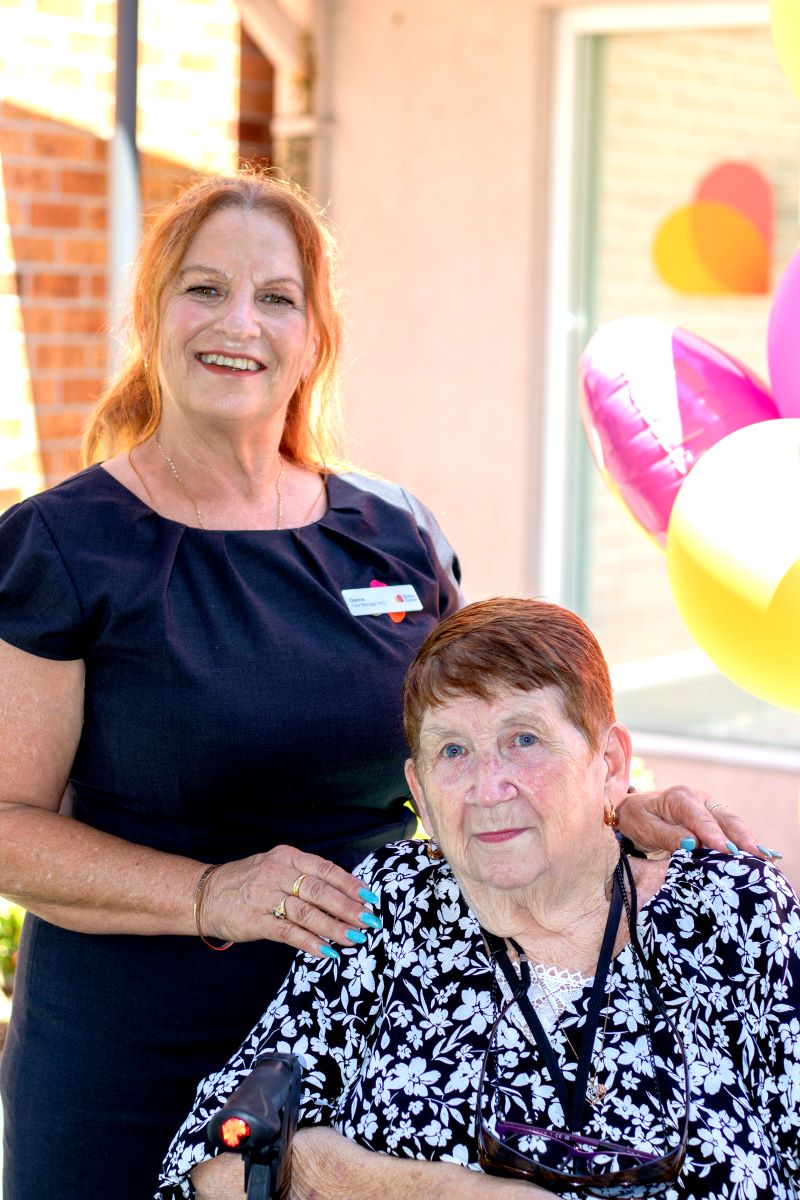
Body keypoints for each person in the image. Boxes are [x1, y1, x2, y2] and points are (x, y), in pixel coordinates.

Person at [0, 171, 765, 1199]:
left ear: (314, 337)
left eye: (276, 297)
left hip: (383, 1039)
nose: (240, 323)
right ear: (149, 316)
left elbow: (481, 738)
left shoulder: (390, 532)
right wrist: (208, 893)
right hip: (132, 1047)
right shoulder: (63, 545)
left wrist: (615, 803)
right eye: (203, 289)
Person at [159, 598, 800, 1200]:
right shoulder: (391, 906)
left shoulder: (733, 910)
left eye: (524, 739)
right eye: (454, 751)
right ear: (420, 788)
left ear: (608, 760)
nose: (488, 787)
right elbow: (208, 1165)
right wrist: (439, 1190)